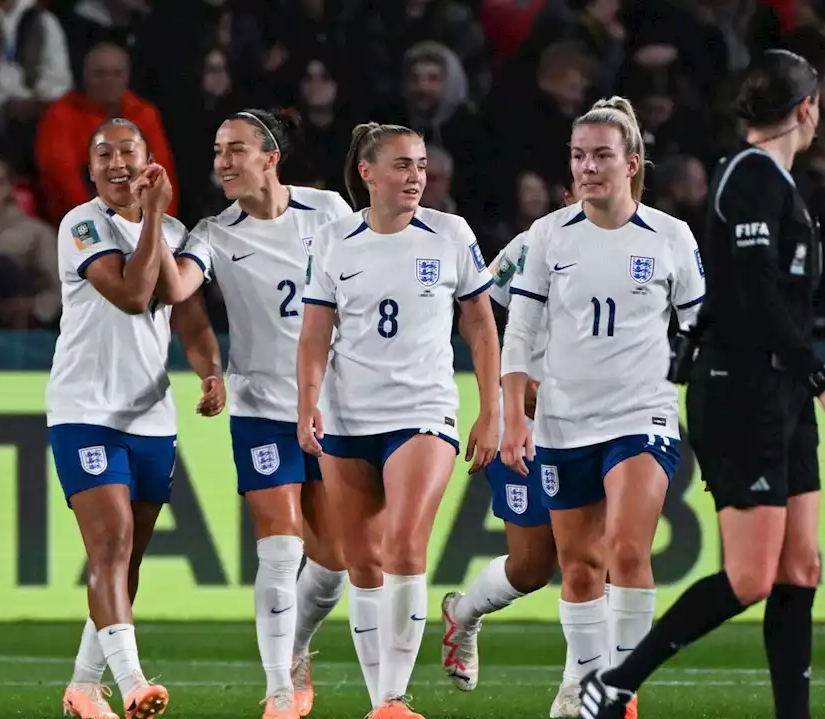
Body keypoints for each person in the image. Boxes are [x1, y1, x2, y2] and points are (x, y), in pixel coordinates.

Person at [580, 50, 825, 719]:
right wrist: (823, 380)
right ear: (807, 109)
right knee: (750, 576)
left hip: (779, 393)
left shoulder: (769, 180)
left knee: (802, 569)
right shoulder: (749, 178)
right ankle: (615, 681)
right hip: (745, 391)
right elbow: (757, 292)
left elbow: (742, 293)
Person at [498, 97, 707, 718]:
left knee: (625, 550)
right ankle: (586, 687)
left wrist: (698, 391)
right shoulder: (548, 235)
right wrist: (515, 418)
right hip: (562, 423)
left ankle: (622, 691)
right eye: (578, 156)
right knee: (581, 568)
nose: (587, 167)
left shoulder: (671, 237)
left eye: (601, 156)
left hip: (641, 417)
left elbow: (700, 326)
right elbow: (521, 330)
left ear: (632, 163)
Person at [296, 123, 502, 719]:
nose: (417, 177)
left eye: (420, 166)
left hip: (423, 410)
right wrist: (306, 400)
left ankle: (393, 698)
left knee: (405, 544)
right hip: (347, 412)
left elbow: (482, 327)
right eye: (403, 165)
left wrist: (491, 410)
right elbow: (315, 334)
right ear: (368, 173)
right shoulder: (334, 240)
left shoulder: (451, 234)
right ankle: (379, 702)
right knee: (360, 560)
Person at [154, 109, 354, 719]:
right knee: (279, 549)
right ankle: (278, 691)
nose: (222, 162)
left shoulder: (331, 213)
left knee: (337, 560)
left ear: (271, 157)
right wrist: (150, 226)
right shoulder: (214, 233)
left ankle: (296, 647)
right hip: (261, 407)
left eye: (235, 150)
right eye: (217, 151)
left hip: (335, 407)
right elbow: (176, 288)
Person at [49, 118, 226, 719]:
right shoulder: (81, 224)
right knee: (110, 545)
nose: (117, 162)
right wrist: (151, 219)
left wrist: (209, 370)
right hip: (85, 410)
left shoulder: (173, 230)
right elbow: (130, 293)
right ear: (90, 168)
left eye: (129, 151)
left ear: (151, 160)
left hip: (151, 416)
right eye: (104, 154)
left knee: (129, 560)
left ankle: (82, 686)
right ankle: (131, 684)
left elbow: (188, 314)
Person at [442, 187, 587, 715]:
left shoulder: (645, 244)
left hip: (601, 425)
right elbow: (480, 314)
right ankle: (463, 613)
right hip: (528, 422)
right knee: (530, 568)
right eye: (579, 173)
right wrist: (508, 393)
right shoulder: (530, 247)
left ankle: (579, 688)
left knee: (594, 559)